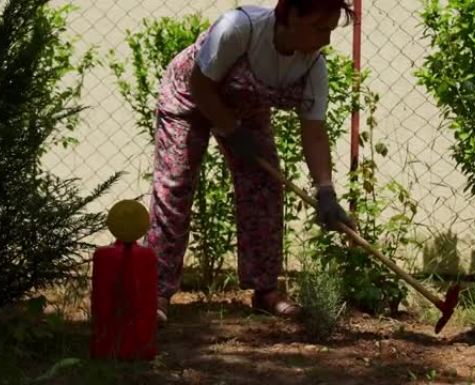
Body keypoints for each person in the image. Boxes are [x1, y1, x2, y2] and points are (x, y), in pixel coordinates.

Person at [148, 0, 356, 322]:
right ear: (289, 15)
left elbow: (314, 131)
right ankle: (156, 293)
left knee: (265, 185)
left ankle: (265, 291)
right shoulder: (239, 28)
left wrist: (325, 190)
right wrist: (231, 130)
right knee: (175, 184)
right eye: (319, 28)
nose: (326, 40)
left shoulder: (313, 67)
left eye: (329, 30)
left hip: (245, 110)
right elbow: (200, 86)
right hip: (188, 100)